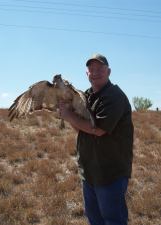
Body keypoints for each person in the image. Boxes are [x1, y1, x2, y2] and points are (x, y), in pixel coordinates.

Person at [59, 53, 134, 225]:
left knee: (113, 219)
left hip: (110, 173)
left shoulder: (114, 96)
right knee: (94, 219)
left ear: (109, 72)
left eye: (100, 69)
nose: (95, 72)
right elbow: (80, 128)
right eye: (91, 69)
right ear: (87, 74)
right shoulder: (86, 96)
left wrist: (69, 115)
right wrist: (69, 115)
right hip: (90, 171)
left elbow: (99, 129)